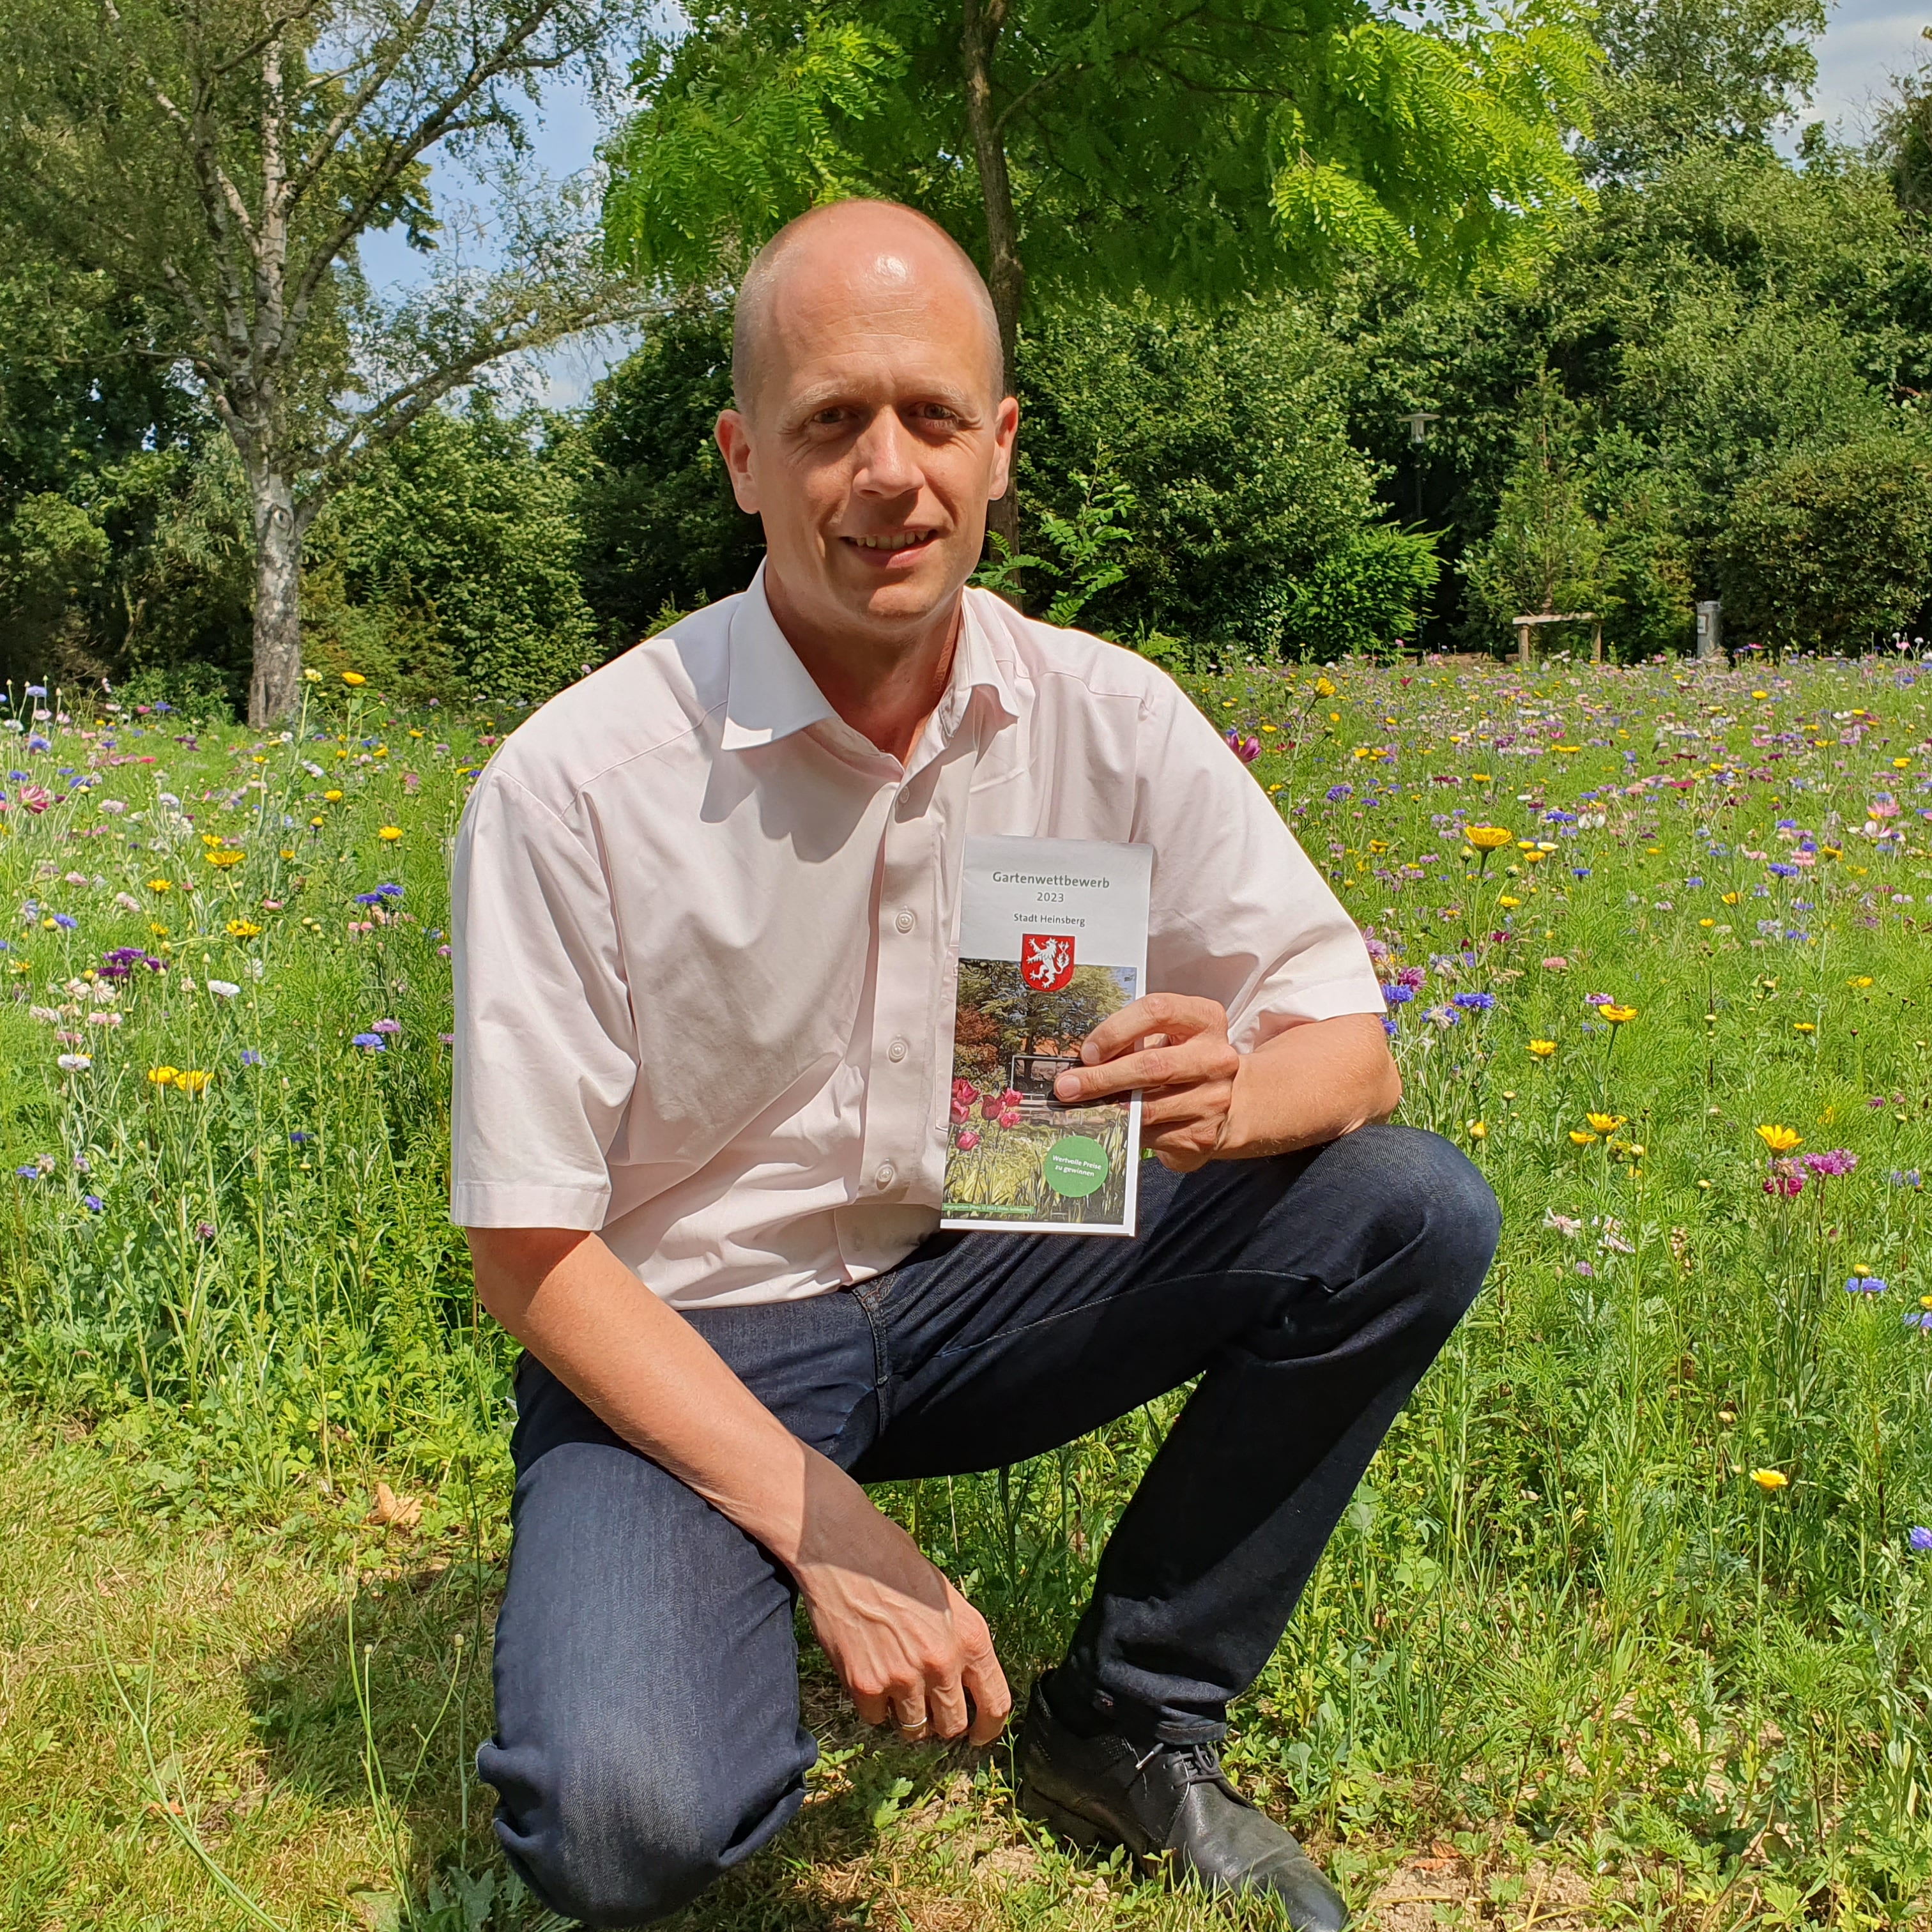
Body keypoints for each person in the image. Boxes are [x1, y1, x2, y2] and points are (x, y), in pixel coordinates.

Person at [450, 197, 1500, 1931]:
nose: (890, 473)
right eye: (830, 423)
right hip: (693, 1327)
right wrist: (831, 1540)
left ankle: (1130, 1718)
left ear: (1001, 448)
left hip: (985, 1271)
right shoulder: (582, 783)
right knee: (628, 1828)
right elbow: (531, 1251)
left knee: (1405, 1209)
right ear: (739, 461)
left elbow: (1354, 1050)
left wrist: (1231, 1091)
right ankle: (701, 1595)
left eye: (934, 417)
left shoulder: (1102, 715)